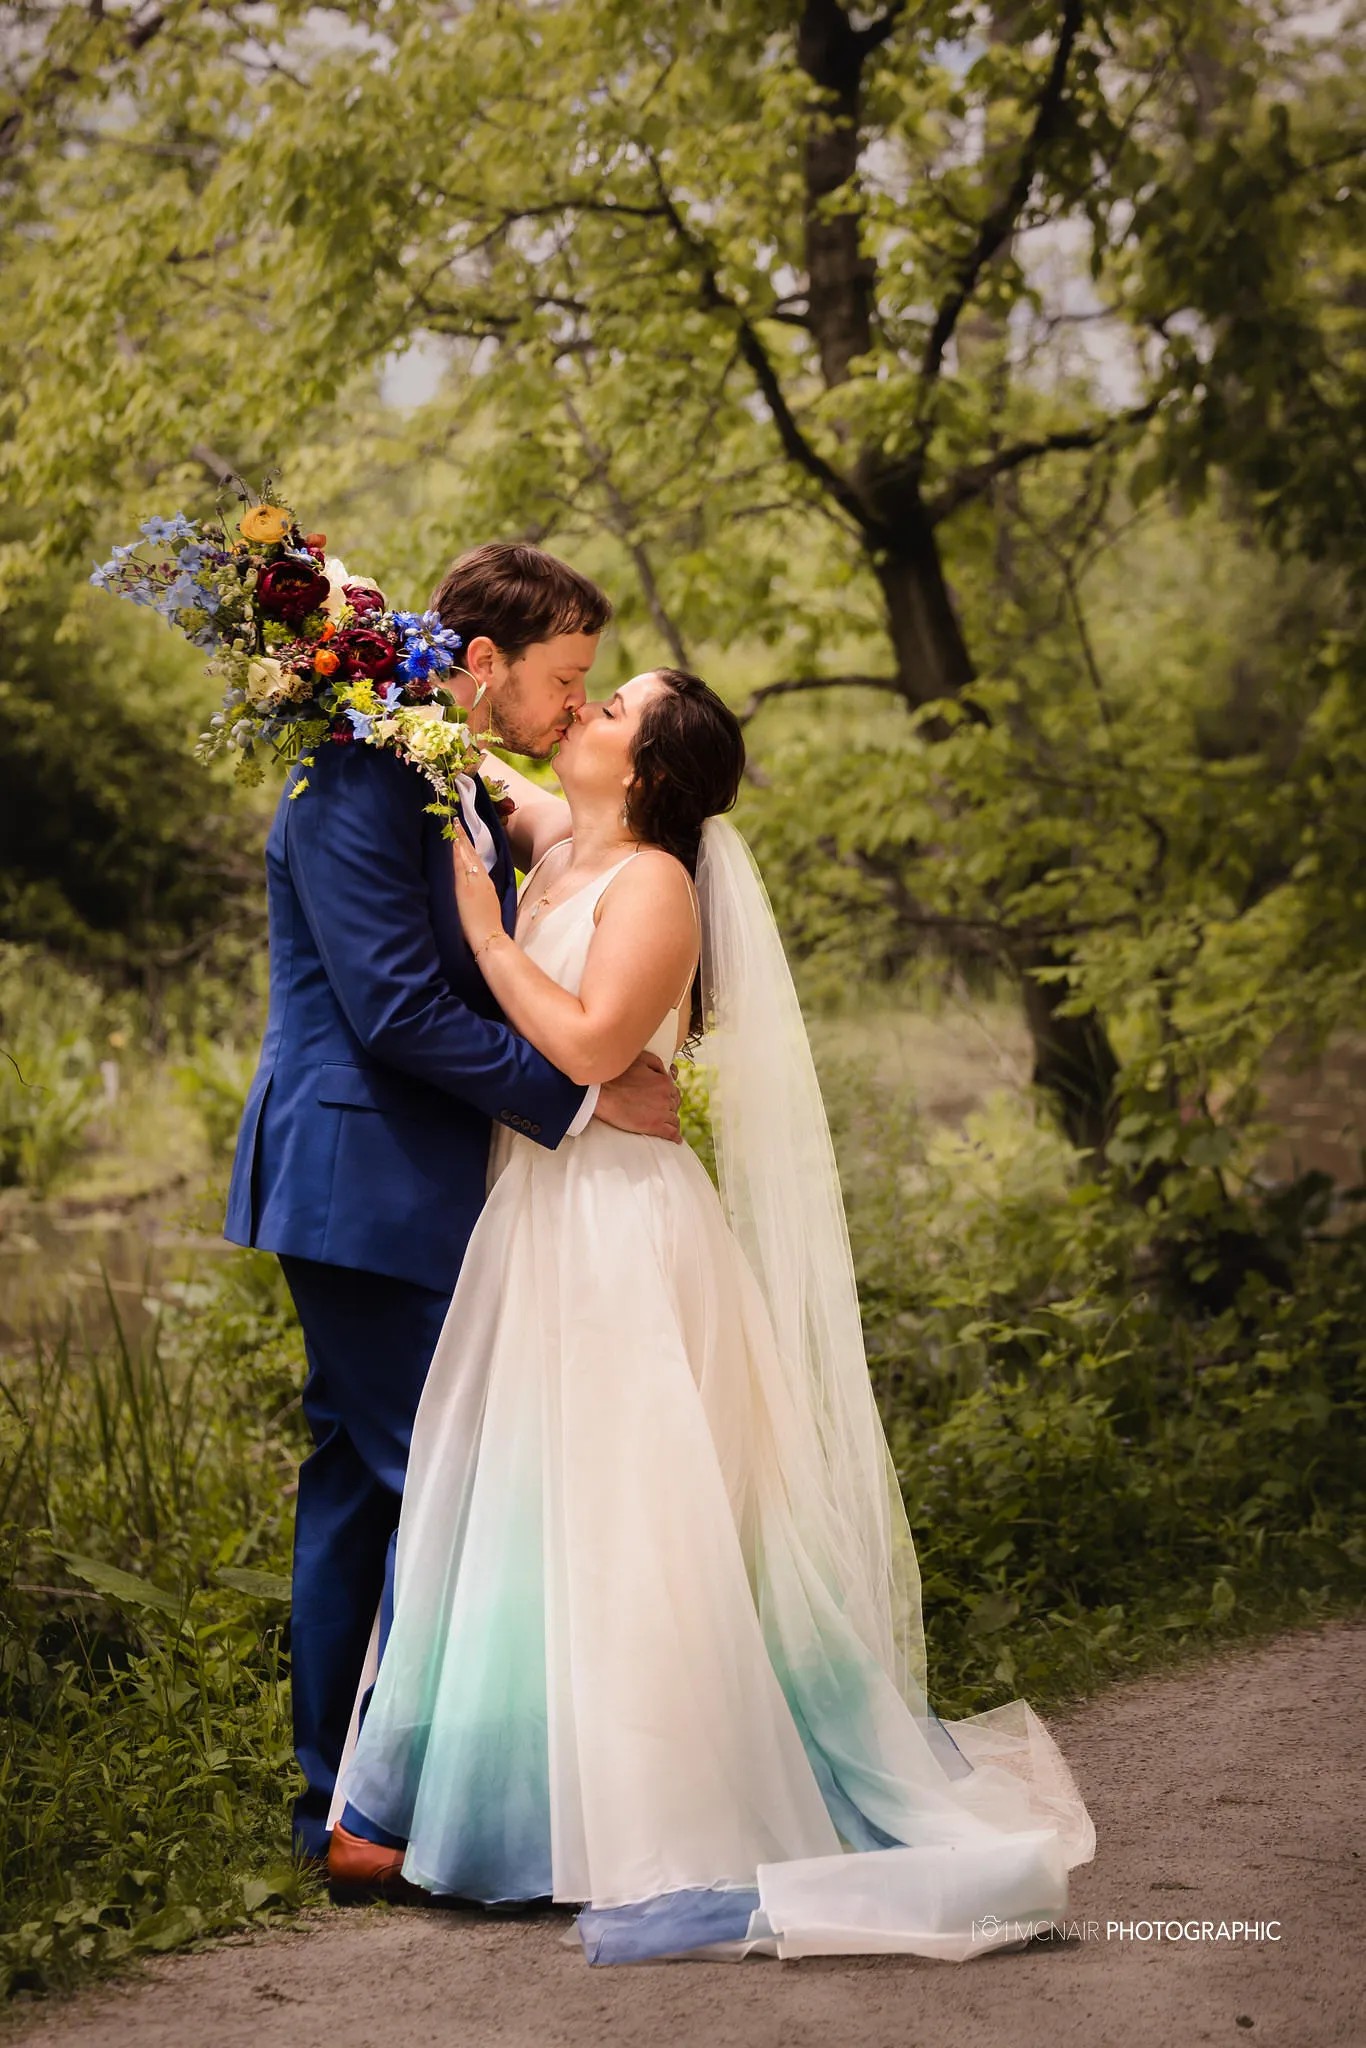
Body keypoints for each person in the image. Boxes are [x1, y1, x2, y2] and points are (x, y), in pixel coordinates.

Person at [331, 665, 1097, 1963]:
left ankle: (653, 1805)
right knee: (534, 1502)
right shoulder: (565, 843)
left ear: (652, 773)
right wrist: (341, 645)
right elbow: (454, 739)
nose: (586, 712)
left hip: (626, 1226)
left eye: (613, 707)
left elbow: (584, 1047)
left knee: (640, 1509)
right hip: (540, 1217)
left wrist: (487, 935)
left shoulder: (656, 886)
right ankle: (520, 1803)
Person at [223, 544, 682, 1865]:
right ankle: (426, 1817)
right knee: (457, 1485)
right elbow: (396, 1007)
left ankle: (348, 1810)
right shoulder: (359, 777)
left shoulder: (425, 762)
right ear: (483, 664)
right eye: (562, 679)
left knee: (365, 1495)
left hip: (407, 1177)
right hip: (363, 1178)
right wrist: (583, 1097)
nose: (568, 708)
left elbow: (541, 847)